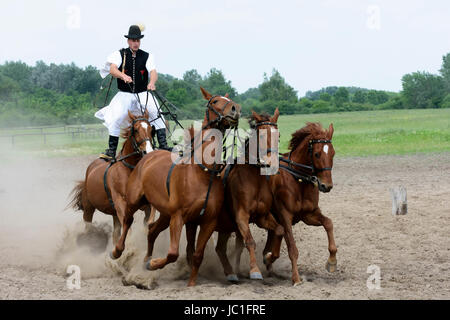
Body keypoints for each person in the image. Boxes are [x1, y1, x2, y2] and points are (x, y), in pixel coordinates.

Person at [96, 24, 170, 160]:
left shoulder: (147, 56)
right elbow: (112, 69)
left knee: (157, 114)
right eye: (133, 40)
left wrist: (152, 82)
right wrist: (123, 76)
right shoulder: (119, 54)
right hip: (124, 94)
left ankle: (163, 146)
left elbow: (153, 72)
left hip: (143, 93)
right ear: (128, 41)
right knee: (116, 117)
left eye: (138, 41)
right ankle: (111, 151)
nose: (136, 43)